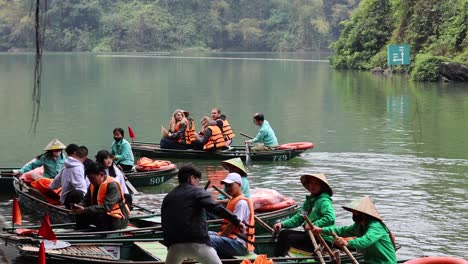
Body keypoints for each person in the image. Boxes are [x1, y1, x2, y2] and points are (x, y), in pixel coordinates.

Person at [162, 164, 245, 264]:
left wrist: (169, 245)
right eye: (198, 181)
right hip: (197, 244)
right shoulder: (197, 192)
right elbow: (216, 208)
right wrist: (236, 221)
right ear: (191, 178)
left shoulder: (168, 197)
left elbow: (164, 222)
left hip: (174, 246)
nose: (198, 184)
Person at [312, 196, 397, 264]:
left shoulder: (376, 226)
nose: (354, 214)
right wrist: (322, 230)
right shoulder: (358, 226)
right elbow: (341, 230)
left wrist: (347, 242)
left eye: (356, 212)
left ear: (364, 214)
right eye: (353, 212)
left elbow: (365, 241)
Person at [274, 173, 335, 256]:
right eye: (310, 183)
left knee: (291, 238)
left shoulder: (324, 201)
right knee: (283, 234)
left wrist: (313, 226)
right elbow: (299, 218)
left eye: (316, 184)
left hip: (322, 239)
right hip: (309, 235)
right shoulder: (309, 202)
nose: (312, 186)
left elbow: (330, 218)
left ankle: (289, 259)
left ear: (322, 186)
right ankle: (278, 258)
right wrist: (282, 224)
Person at [71, 162, 130, 231]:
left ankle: (101, 236)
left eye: (92, 178)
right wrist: (78, 206)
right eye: (89, 179)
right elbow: (86, 200)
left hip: (116, 218)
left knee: (101, 216)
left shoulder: (112, 185)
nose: (90, 181)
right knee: (80, 214)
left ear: (101, 174)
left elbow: (107, 207)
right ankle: (82, 232)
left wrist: (85, 209)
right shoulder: (93, 184)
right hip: (98, 212)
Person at [209, 173, 255, 258]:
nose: (228, 188)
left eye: (231, 185)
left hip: (240, 245)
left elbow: (232, 225)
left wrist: (220, 236)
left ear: (239, 185)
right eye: (227, 186)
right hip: (231, 239)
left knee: (208, 240)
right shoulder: (233, 200)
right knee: (203, 234)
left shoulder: (241, 203)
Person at [50, 144, 89, 209]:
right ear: (85, 157)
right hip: (70, 200)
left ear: (75, 153)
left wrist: (51, 188)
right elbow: (81, 188)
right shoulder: (77, 168)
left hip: (64, 198)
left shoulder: (66, 164)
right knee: (79, 193)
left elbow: (57, 180)